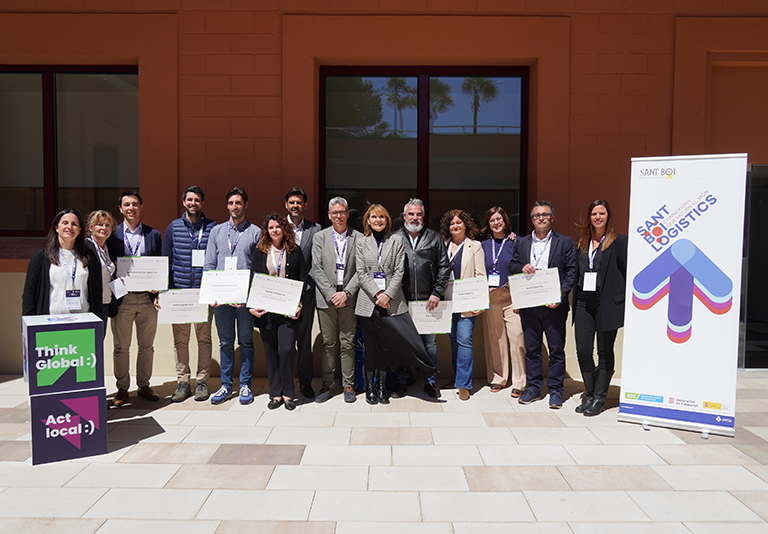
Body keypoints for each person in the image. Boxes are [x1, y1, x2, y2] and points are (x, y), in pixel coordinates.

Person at [355, 204, 436, 405]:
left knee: (386, 347)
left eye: (382, 217)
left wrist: (387, 295)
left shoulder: (396, 240)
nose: (378, 220)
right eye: (373, 217)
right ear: (367, 221)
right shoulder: (361, 241)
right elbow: (361, 272)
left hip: (392, 303)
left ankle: (383, 387)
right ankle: (370, 389)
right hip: (368, 302)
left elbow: (400, 271)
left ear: (387, 220)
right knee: (370, 348)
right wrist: (376, 294)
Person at [510, 201, 576, 409]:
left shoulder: (565, 242)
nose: (541, 218)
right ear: (532, 219)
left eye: (545, 215)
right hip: (529, 304)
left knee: (556, 349)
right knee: (532, 349)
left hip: (554, 305)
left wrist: (560, 296)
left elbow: (572, 272)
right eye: (537, 215)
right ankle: (534, 387)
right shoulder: (521, 242)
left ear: (552, 218)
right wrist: (522, 266)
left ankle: (556, 391)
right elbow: (512, 266)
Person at [203, 187, 261, 405]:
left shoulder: (255, 232)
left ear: (246, 205)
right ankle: (226, 386)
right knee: (226, 342)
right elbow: (209, 264)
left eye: (238, 203)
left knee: (246, 342)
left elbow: (258, 268)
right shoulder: (217, 232)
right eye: (231, 203)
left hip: (245, 299)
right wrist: (210, 293)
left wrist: (252, 296)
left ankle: (245, 384)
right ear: (227, 206)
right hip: (221, 298)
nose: (234, 207)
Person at [162, 185, 217, 402]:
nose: (193, 203)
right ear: (184, 202)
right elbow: (166, 261)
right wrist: (164, 294)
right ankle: (183, 382)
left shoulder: (213, 227)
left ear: (202, 203)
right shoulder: (173, 228)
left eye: (197, 200)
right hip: (180, 293)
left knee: (204, 339)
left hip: (203, 293)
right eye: (189, 200)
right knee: (180, 341)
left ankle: (202, 381)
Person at [107, 191, 163, 406]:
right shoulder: (112, 235)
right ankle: (122, 388)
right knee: (121, 347)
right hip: (123, 299)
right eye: (126, 204)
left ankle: (144, 385)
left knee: (146, 346)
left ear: (141, 207)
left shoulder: (153, 234)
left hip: (147, 299)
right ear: (120, 209)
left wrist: (157, 292)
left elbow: (159, 265)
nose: (131, 208)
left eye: (135, 204)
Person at [572, 199, 627, 416]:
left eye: (601, 213)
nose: (597, 217)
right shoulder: (581, 241)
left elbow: (626, 271)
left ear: (608, 217)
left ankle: (599, 398)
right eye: (594, 213)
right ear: (589, 217)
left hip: (607, 303)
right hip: (584, 302)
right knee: (583, 349)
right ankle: (591, 391)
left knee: (605, 350)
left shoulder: (619, 242)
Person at [249, 213, 309, 411]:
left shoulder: (294, 250)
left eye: (278, 227)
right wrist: (252, 307)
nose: (275, 230)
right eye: (271, 227)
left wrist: (298, 304)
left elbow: (302, 278)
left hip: (287, 311)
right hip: (266, 312)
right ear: (266, 230)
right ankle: (275, 394)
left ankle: (288, 393)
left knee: (286, 350)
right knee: (271, 351)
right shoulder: (259, 251)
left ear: (285, 229)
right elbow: (253, 279)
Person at [394, 198, 451, 399]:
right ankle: (401, 381)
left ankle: (430, 381)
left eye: (418, 214)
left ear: (423, 216)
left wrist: (437, 292)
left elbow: (444, 267)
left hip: (429, 301)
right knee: (402, 342)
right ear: (404, 216)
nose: (415, 218)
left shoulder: (434, 237)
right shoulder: (395, 238)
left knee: (429, 344)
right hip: (402, 300)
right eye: (411, 214)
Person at [312, 197, 362, 403]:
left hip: (349, 298)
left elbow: (362, 270)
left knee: (348, 343)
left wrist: (346, 293)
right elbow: (316, 268)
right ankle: (327, 385)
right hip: (327, 299)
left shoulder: (358, 237)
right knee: (328, 343)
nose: (339, 216)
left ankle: (348, 385)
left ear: (348, 214)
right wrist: (332, 293)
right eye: (335, 213)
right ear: (329, 215)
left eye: (342, 212)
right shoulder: (319, 237)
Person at [479, 207, 526, 397]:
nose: (496, 223)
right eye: (492, 220)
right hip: (491, 298)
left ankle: (520, 381)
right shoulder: (482, 245)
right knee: (495, 339)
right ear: (488, 224)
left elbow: (523, 268)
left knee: (517, 337)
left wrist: (520, 296)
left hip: (512, 298)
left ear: (505, 221)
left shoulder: (517, 242)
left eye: (499, 219)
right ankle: (498, 377)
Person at [23, 209, 103, 321]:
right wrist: (28, 324)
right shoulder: (42, 256)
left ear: (79, 230)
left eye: (74, 224)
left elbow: (97, 293)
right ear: (57, 227)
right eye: (65, 223)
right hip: (50, 321)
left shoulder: (89, 256)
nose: (69, 227)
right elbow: (29, 294)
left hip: (83, 321)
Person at [440, 209, 486, 401]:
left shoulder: (474, 246)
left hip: (467, 302)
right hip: (446, 302)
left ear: (466, 225)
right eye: (452, 223)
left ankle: (464, 384)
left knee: (464, 340)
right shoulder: (442, 245)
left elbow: (481, 275)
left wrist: (479, 302)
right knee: (453, 340)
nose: (455, 226)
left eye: (459, 222)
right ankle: (456, 378)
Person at [285, 187, 322, 399]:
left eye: (299, 203)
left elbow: (317, 262)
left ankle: (306, 384)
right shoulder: (279, 227)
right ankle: (286, 384)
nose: (295, 206)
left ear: (305, 205)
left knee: (304, 342)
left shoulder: (315, 229)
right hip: (282, 295)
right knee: (286, 343)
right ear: (286, 205)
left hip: (307, 294)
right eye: (291, 202)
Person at [85, 210, 118, 330]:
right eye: (99, 224)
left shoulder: (108, 249)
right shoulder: (85, 248)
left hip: (105, 304)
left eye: (107, 225)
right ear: (91, 227)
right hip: (91, 306)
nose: (104, 228)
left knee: (99, 345)